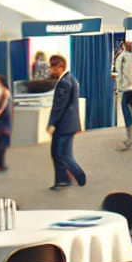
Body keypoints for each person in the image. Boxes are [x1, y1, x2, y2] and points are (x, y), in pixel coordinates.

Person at [45, 56, 85, 191]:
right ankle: (62, 180)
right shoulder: (70, 79)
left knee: (62, 154)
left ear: (60, 67)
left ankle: (80, 175)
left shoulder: (64, 83)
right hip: (67, 124)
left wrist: (52, 123)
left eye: (52, 67)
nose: (50, 70)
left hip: (64, 125)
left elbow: (59, 106)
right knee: (58, 153)